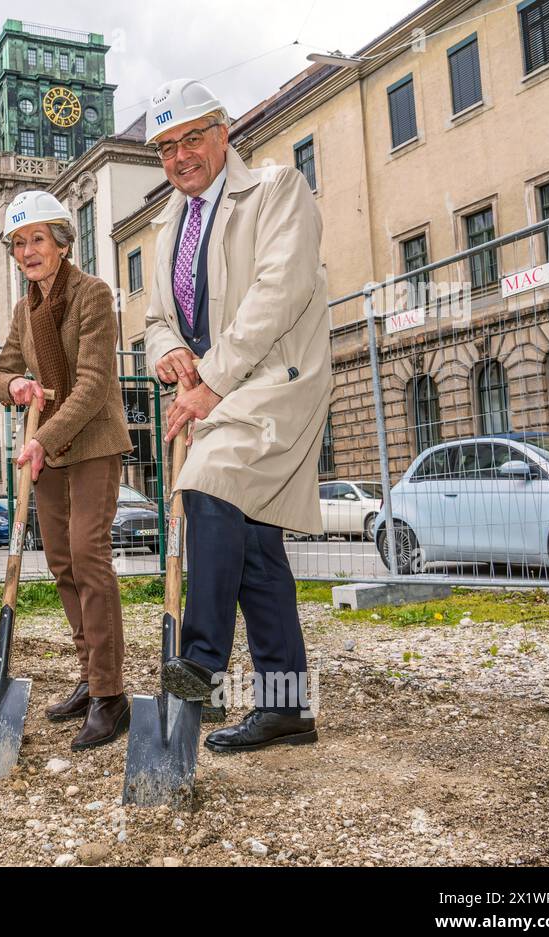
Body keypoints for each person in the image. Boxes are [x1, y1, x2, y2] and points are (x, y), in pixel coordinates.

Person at [141, 79, 331, 753]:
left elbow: (281, 291)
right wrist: (169, 355)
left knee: (208, 482)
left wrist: (211, 382)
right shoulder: (168, 225)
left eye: (192, 137)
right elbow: (159, 317)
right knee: (255, 548)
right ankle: (287, 707)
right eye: (167, 146)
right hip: (223, 392)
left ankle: (201, 666)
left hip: (275, 378)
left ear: (224, 133)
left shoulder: (279, 190)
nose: (181, 155)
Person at [0, 191, 134, 751]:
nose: (27, 251)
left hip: (91, 443)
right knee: (62, 563)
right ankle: (88, 676)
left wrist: (43, 438)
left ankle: (111, 695)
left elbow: (95, 384)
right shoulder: (24, 310)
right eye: (19, 243)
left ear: (62, 243)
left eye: (37, 240)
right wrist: (16, 386)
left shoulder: (92, 295)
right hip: (47, 452)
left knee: (90, 559)